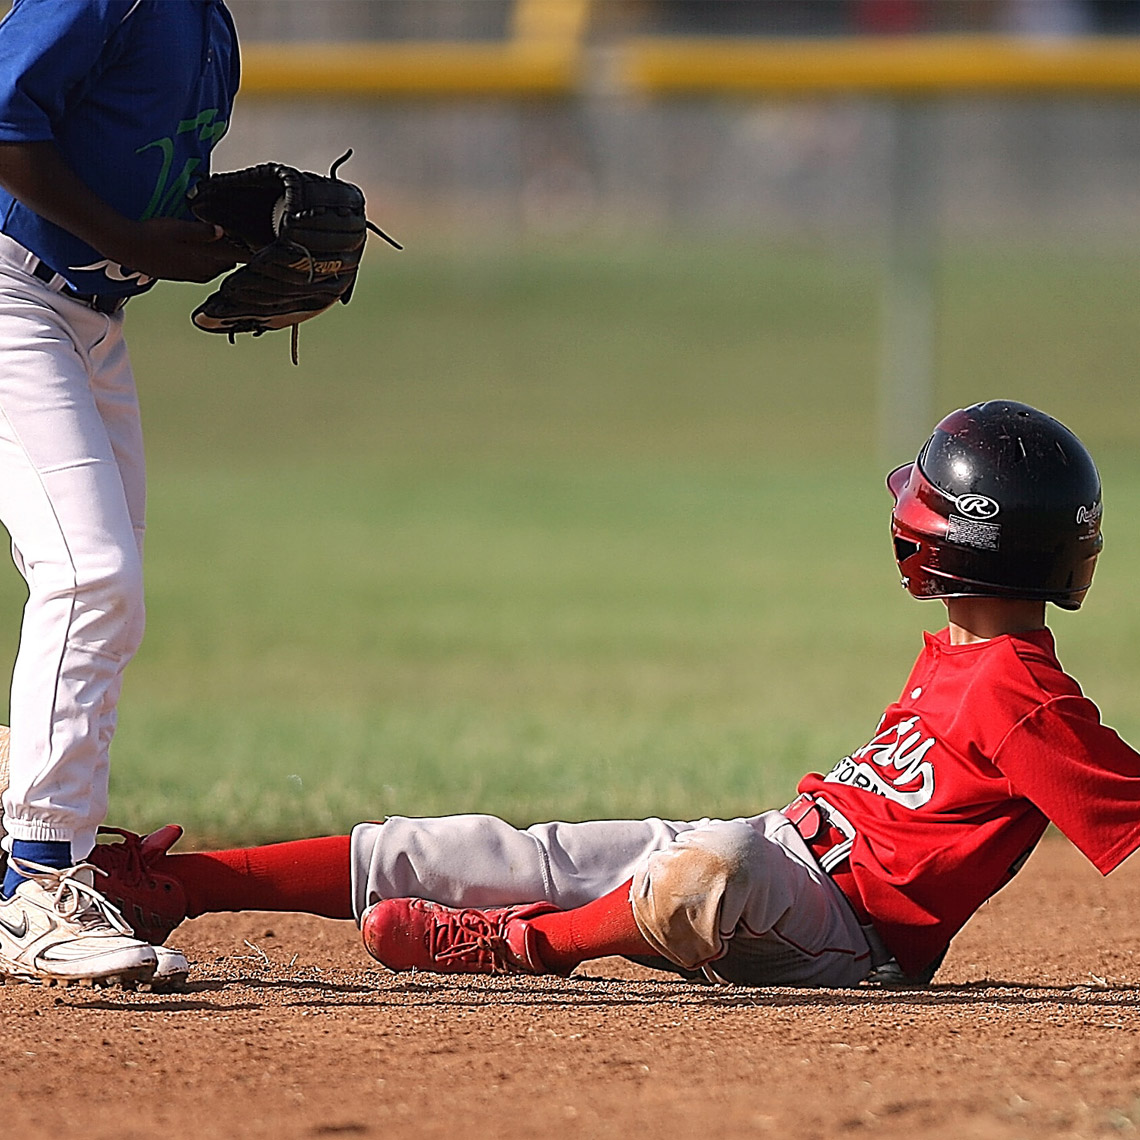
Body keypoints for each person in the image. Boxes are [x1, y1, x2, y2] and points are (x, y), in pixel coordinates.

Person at [81, 401, 1140, 987]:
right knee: (503, 850)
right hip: (784, 853)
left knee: (715, 863)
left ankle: (519, 947)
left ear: (936, 543)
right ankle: (177, 883)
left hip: (851, 935)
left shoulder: (1027, 697)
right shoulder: (961, 657)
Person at [0, 0, 241, 987]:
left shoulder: (210, 21)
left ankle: (38, 853)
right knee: (91, 577)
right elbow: (4, 121)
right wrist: (130, 240)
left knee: (110, 591)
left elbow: (133, 164)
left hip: (87, 320)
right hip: (11, 295)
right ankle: (35, 882)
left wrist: (246, 224)